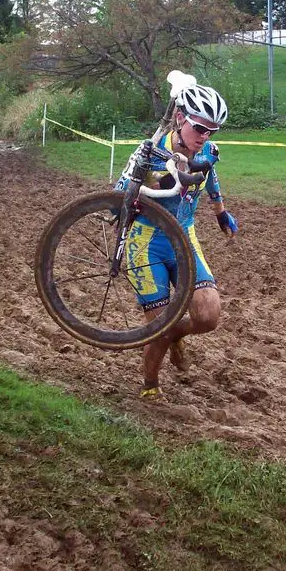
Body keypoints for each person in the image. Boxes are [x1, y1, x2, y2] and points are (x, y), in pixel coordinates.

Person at [115, 83, 238, 399]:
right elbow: (117, 195)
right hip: (146, 242)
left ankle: (173, 336)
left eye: (212, 131)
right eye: (199, 128)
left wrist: (221, 211)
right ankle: (150, 385)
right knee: (159, 328)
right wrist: (150, 184)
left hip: (184, 235)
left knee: (208, 316)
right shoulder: (149, 153)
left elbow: (211, 175)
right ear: (180, 118)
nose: (204, 137)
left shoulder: (206, 150)